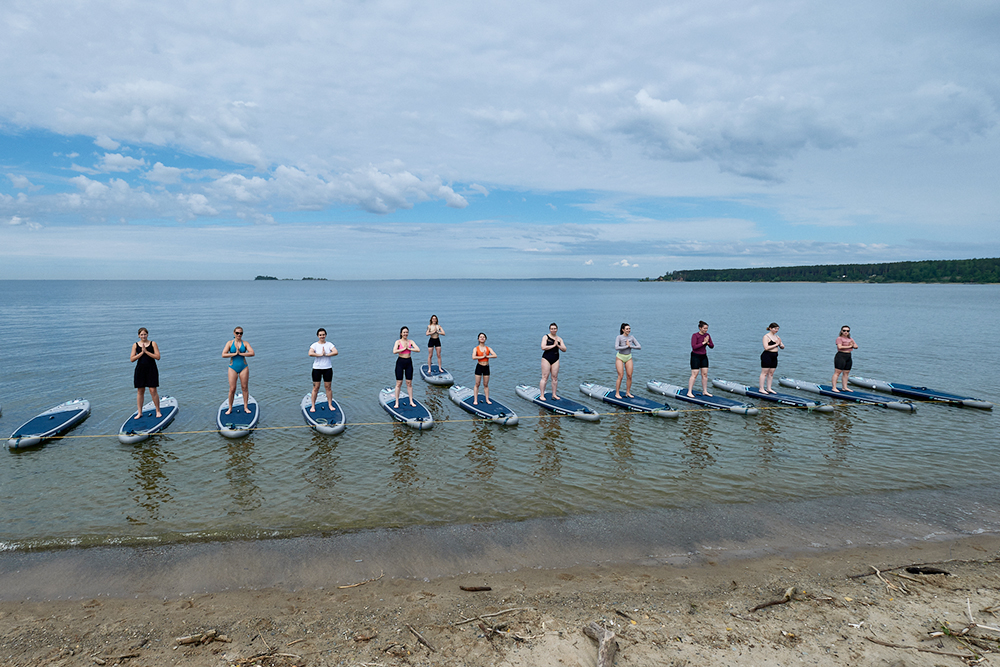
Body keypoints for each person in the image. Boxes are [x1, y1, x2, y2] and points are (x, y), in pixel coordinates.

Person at [130, 327, 161, 418]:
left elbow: (158, 357)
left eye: (145, 334)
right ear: (139, 335)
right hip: (140, 370)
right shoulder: (135, 345)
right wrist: (141, 353)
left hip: (151, 369)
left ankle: (158, 411)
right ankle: (140, 412)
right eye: (141, 334)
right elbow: (132, 359)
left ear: (147, 335)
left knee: (153, 390)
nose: (143, 336)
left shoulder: (153, 343)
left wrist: (146, 352)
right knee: (140, 391)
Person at [222, 326, 255, 414]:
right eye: (237, 333)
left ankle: (245, 407)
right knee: (232, 389)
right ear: (234, 333)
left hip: (243, 367)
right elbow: (223, 354)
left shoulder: (245, 343)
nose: (239, 335)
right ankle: (230, 408)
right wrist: (234, 354)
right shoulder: (229, 343)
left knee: (244, 387)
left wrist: (241, 353)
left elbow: (252, 353)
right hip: (232, 367)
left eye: (240, 333)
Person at [308, 328, 338, 412]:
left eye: (323, 335)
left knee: (328, 387)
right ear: (318, 336)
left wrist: (327, 354)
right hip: (317, 369)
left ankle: (330, 404)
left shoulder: (329, 344)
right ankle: (313, 406)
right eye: (320, 335)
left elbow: (335, 352)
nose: (322, 336)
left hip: (327, 368)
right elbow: (310, 353)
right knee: (315, 388)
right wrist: (320, 354)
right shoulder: (314, 345)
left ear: (325, 335)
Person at [393, 326, 420, 408]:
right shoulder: (398, 342)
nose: (405, 334)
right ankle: (396, 402)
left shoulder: (410, 341)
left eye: (407, 332)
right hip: (400, 362)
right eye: (404, 332)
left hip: (408, 362)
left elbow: (418, 349)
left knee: (409, 383)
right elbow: (394, 351)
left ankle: (411, 401)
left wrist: (409, 348)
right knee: (399, 383)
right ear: (401, 333)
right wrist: (402, 349)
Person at [539, 323, 566, 401]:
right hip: (546, 358)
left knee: (554, 378)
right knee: (545, 377)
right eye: (552, 328)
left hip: (555, 359)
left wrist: (558, 345)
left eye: (555, 328)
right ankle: (542, 395)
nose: (553, 330)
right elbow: (543, 347)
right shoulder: (546, 337)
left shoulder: (559, 339)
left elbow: (564, 349)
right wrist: (553, 345)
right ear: (550, 329)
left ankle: (554, 394)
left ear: (557, 329)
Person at [687, 320, 714, 397]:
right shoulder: (695, 335)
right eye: (704, 328)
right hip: (695, 356)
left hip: (703, 356)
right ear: (700, 328)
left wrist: (707, 342)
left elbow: (712, 346)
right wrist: (704, 342)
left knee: (705, 374)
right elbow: (694, 347)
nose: (706, 330)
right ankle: (689, 392)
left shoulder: (707, 335)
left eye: (707, 328)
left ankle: (705, 391)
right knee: (694, 374)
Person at [614, 323, 641, 398]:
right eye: (627, 329)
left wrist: (631, 346)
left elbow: (639, 346)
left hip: (628, 357)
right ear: (623, 330)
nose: (629, 330)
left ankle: (628, 393)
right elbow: (616, 347)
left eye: (629, 328)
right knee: (621, 376)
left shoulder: (631, 337)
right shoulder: (619, 337)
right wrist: (626, 346)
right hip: (620, 357)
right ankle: (617, 393)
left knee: (629, 376)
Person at [759, 323, 784, 394]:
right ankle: (761, 388)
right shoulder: (766, 337)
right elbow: (766, 347)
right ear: (770, 328)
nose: (777, 330)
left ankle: (769, 388)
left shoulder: (777, 336)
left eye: (778, 329)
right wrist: (776, 344)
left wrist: (781, 345)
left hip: (775, 355)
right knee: (764, 373)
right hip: (767, 355)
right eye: (775, 328)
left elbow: (782, 346)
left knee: (771, 373)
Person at [472, 333, 497, 405]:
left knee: (485, 384)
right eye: (480, 337)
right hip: (479, 367)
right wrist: (482, 357)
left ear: (485, 339)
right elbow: (473, 357)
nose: (482, 338)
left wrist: (487, 356)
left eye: (483, 337)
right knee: (477, 384)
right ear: (478, 339)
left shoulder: (488, 348)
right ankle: (475, 400)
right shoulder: (476, 348)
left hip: (486, 367)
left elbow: (495, 355)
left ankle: (487, 399)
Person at [832, 325, 858, 392]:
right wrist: (850, 346)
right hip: (841, 356)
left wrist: (852, 346)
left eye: (847, 331)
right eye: (844, 330)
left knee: (846, 372)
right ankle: (834, 387)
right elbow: (840, 347)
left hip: (848, 356)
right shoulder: (839, 338)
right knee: (837, 372)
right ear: (841, 331)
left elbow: (856, 346)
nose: (846, 332)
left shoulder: (850, 339)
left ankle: (844, 387)